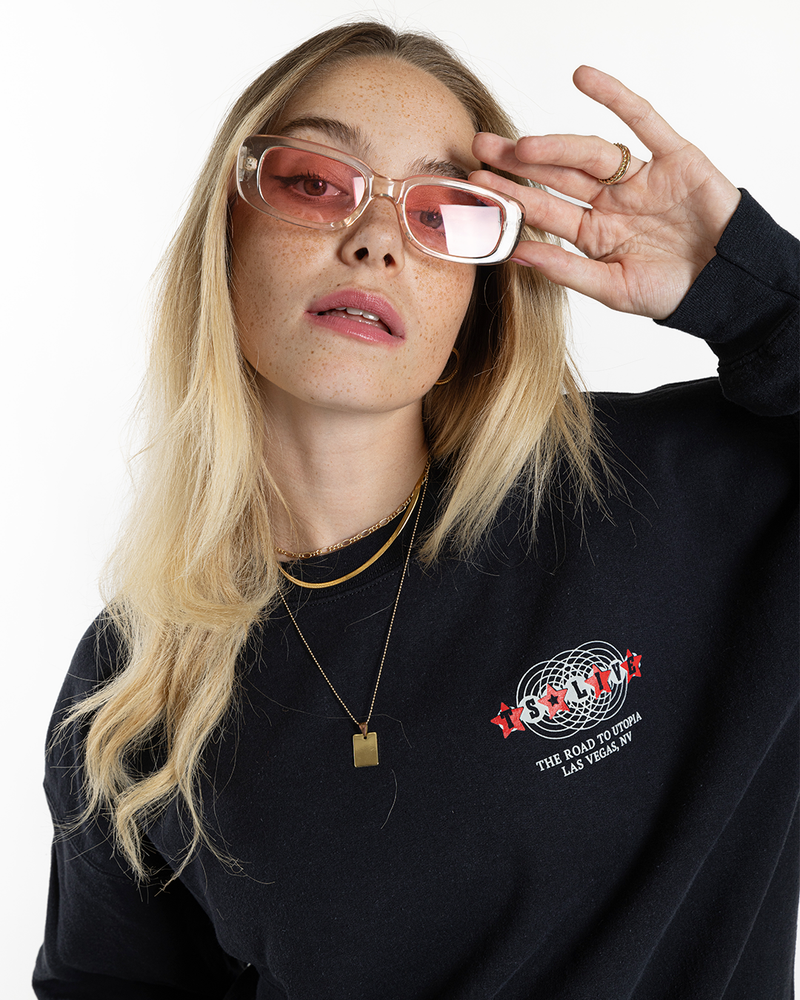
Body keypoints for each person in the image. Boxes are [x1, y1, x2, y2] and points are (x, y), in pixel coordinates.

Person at [33, 20, 797, 1000]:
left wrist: (750, 287)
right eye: (316, 182)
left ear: (479, 298)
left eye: (442, 213)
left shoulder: (675, 494)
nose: (374, 240)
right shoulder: (136, 679)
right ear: (225, 234)